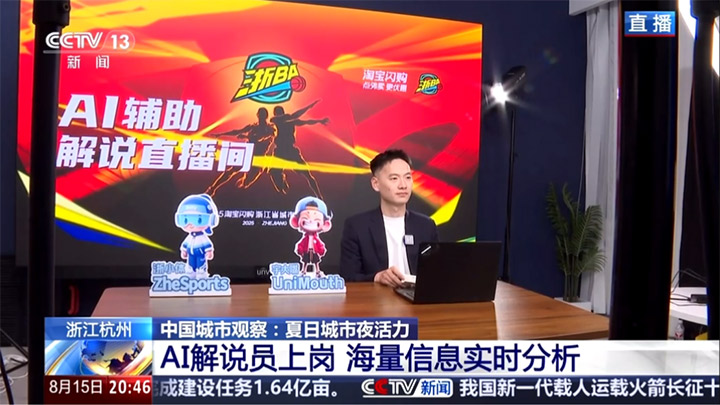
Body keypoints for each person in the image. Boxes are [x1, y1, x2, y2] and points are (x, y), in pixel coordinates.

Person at [340, 149, 439, 286]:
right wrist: (377, 277)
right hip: (376, 297)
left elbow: (435, 274)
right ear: (376, 184)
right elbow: (348, 278)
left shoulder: (425, 225)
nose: (403, 185)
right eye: (394, 178)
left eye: (408, 177)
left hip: (416, 296)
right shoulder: (357, 226)